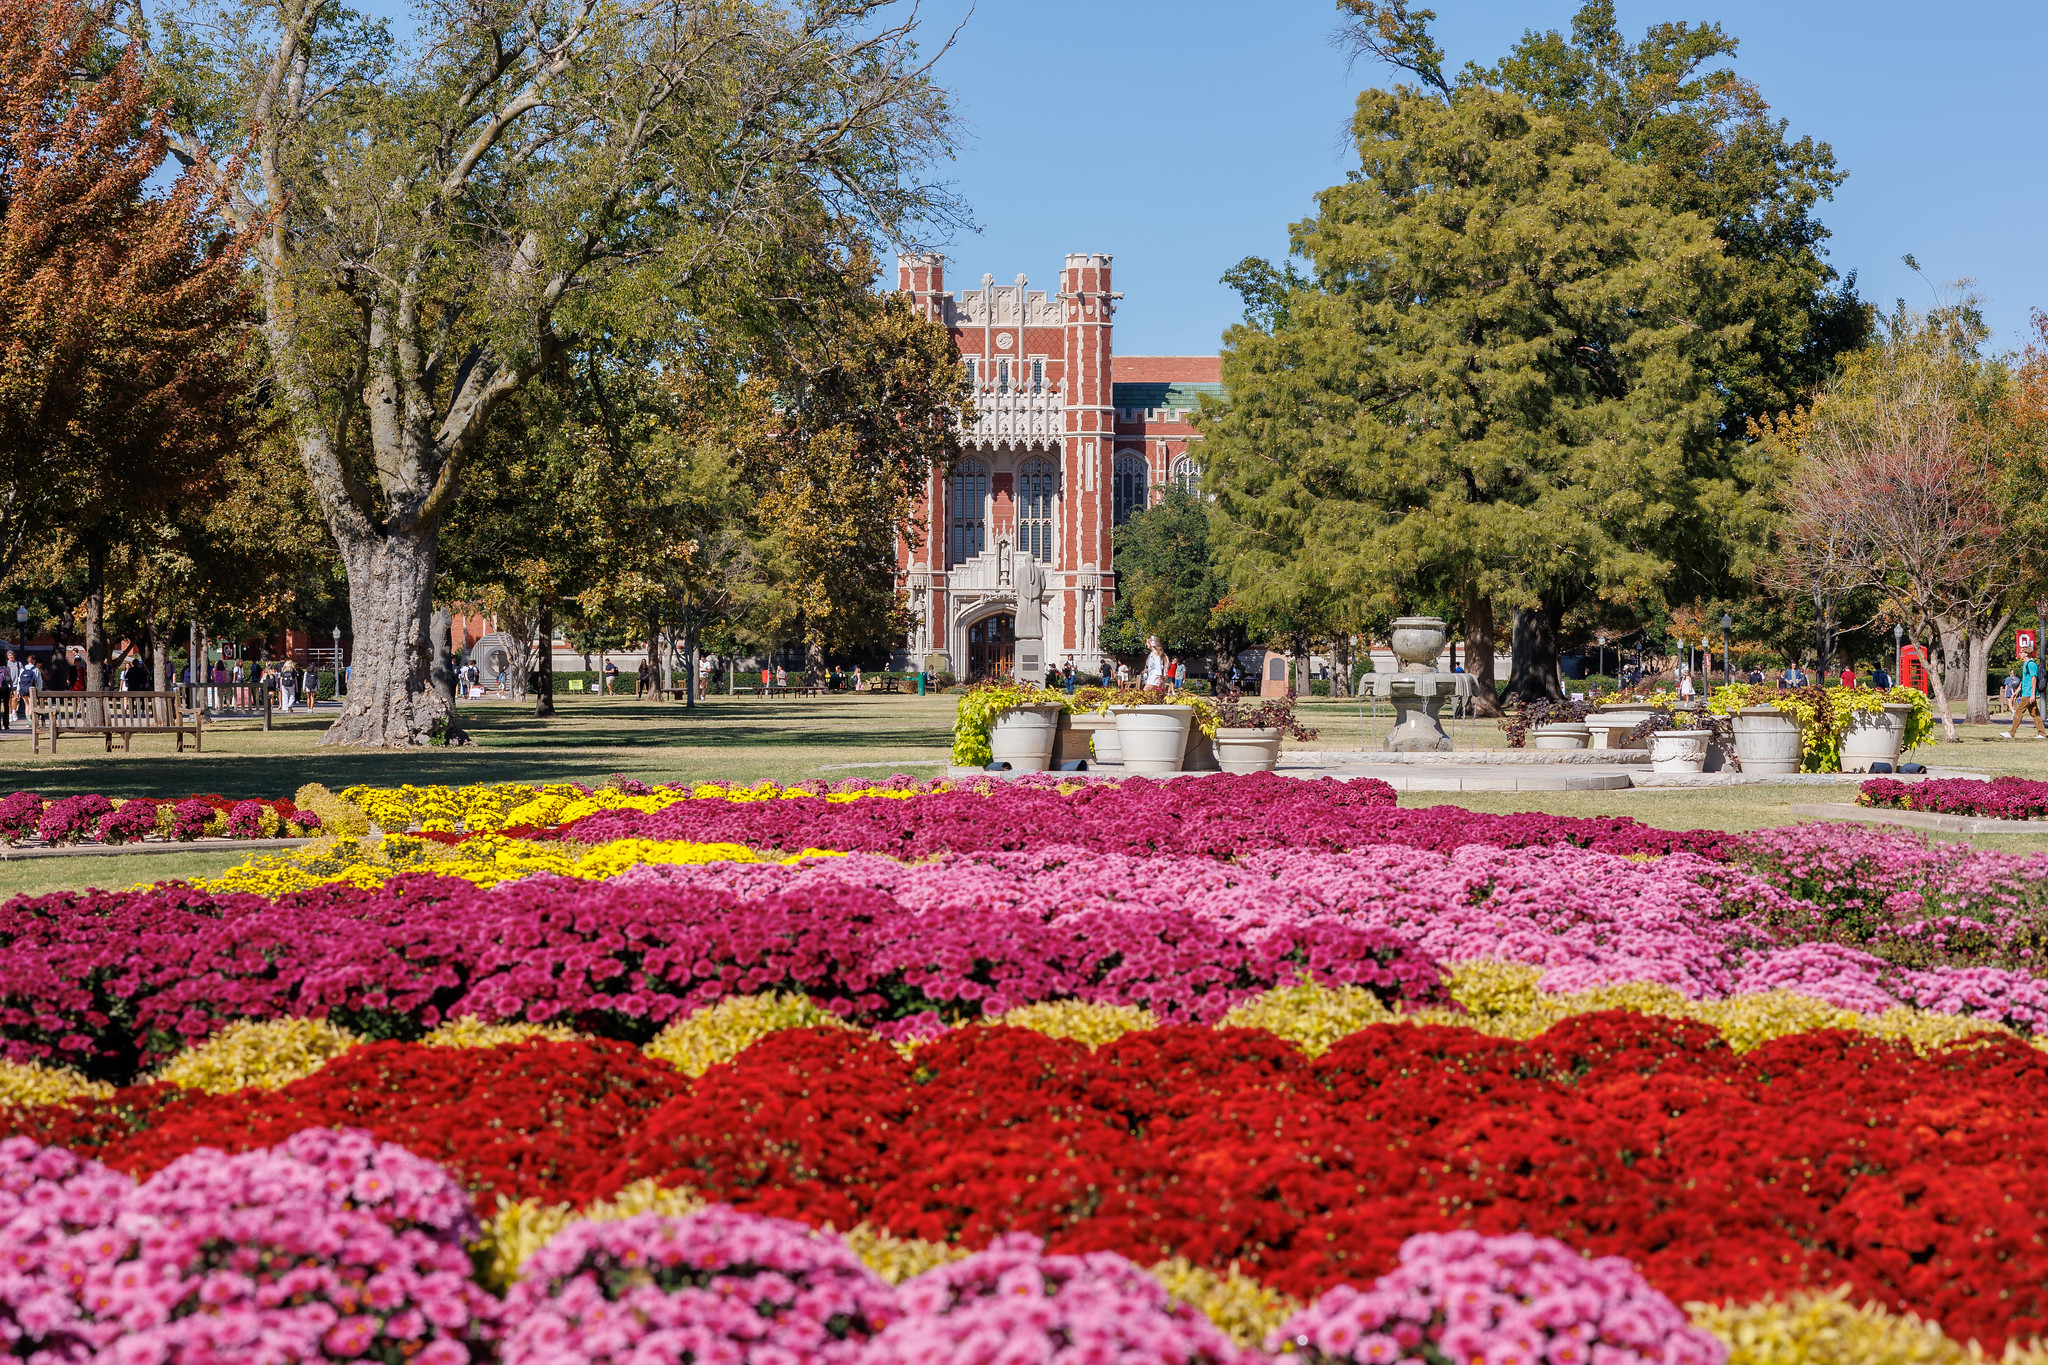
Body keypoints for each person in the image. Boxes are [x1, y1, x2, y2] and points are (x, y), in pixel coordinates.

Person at [2007, 645, 2045, 739]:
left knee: (2018, 712)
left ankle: (2011, 733)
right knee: (2035, 714)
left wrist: (2033, 694)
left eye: (2021, 652)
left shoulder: (2031, 664)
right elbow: (2024, 680)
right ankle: (2042, 734)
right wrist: (2017, 691)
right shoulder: (2026, 664)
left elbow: (2034, 679)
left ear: (2026, 654)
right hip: (2025, 692)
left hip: (2028, 694)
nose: (2019, 654)